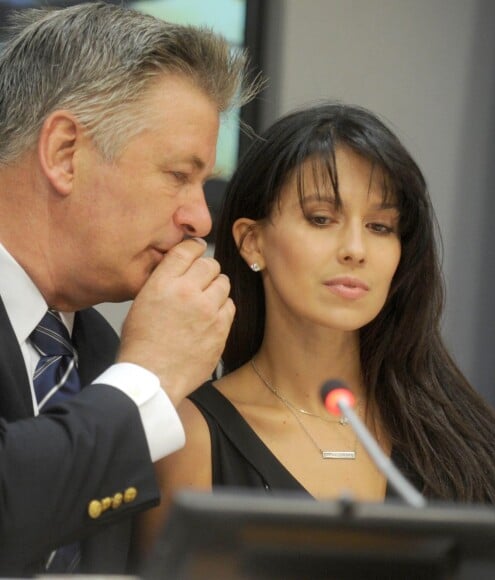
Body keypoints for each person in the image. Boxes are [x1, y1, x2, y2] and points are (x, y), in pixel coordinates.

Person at [138, 103, 495, 576]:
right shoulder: (191, 434)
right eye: (321, 219)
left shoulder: (459, 433)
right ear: (252, 242)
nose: (355, 250)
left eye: (380, 227)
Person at [0, 1, 259, 576]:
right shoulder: (138, 375)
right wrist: (150, 378)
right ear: (65, 153)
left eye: (204, 183)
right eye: (178, 175)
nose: (200, 219)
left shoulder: (102, 358)